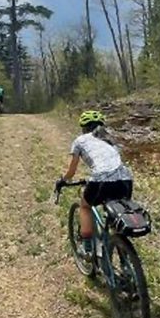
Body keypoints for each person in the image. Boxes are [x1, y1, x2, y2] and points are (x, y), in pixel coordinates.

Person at [56, 110, 133, 257]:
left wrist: (62, 181)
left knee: (85, 207)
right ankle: (123, 254)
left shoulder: (80, 140)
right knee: (116, 213)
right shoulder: (110, 139)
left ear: (84, 127)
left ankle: (88, 249)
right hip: (126, 179)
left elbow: (71, 172)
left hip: (101, 179)